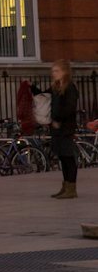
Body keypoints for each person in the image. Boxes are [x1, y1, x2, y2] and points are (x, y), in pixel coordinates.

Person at [48, 59, 80, 200]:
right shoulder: (56, 87)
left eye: (57, 71)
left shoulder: (70, 87)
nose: (54, 73)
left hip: (65, 128)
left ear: (65, 72)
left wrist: (59, 120)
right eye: (53, 71)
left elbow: (69, 108)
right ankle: (66, 185)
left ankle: (71, 188)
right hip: (56, 128)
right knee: (62, 157)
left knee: (68, 158)